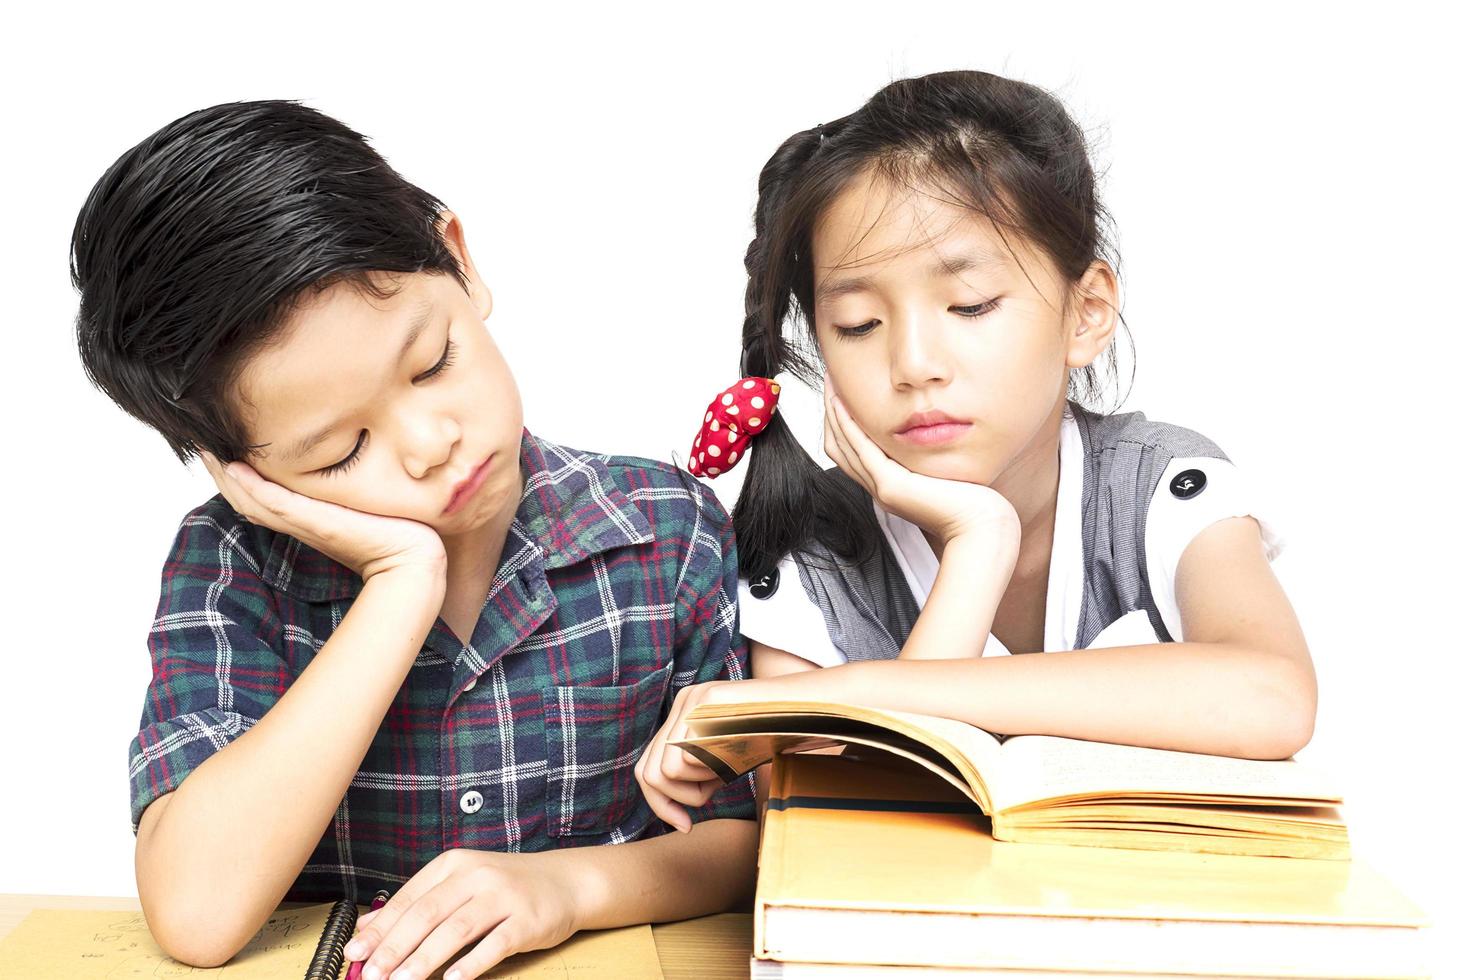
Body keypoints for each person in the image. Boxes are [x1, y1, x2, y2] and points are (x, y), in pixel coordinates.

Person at [71, 100, 756, 979]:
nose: (433, 445)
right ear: (240, 470)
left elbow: (746, 835)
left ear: (461, 262)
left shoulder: (662, 528)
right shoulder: (233, 568)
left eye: (433, 362)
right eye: (342, 451)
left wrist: (570, 888)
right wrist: (401, 582)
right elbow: (198, 913)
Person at [635, 70, 1316, 831]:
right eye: (859, 324)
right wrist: (976, 545)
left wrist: (853, 696)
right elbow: (846, 841)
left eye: (971, 306)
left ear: (1085, 313)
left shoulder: (1156, 486)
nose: (915, 364)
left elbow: (1272, 695)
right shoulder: (809, 552)